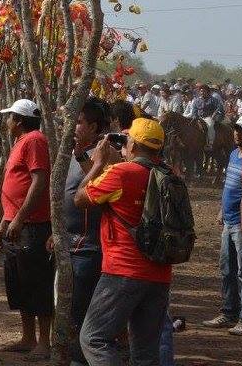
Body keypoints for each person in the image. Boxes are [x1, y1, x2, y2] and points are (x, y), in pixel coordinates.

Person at [74, 118, 173, 366]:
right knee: (145, 353)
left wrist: (97, 164)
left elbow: (80, 199)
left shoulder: (121, 173)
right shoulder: (169, 175)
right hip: (160, 274)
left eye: (126, 141)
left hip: (122, 270)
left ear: (134, 146)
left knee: (93, 338)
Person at [0, 98, 53, 359]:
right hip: (16, 223)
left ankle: (43, 341)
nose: (7, 121)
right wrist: (4, 222)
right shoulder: (21, 142)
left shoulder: (34, 140)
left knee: (37, 282)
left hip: (32, 225)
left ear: (18, 120)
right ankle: (27, 337)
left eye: (10, 117)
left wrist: (19, 218)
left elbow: (39, 180)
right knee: (19, 282)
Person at [59, 97, 111, 366]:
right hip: (68, 243)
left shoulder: (103, 154)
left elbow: (97, 187)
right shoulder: (70, 152)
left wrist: (82, 156)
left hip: (89, 247)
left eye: (78, 122)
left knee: (81, 312)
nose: (73, 127)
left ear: (93, 127)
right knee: (68, 308)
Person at [203, 114, 242, 338]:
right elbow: (229, 186)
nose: (237, 133)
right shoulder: (235, 154)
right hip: (228, 220)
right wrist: (220, 209)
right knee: (227, 269)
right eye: (236, 129)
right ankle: (228, 311)